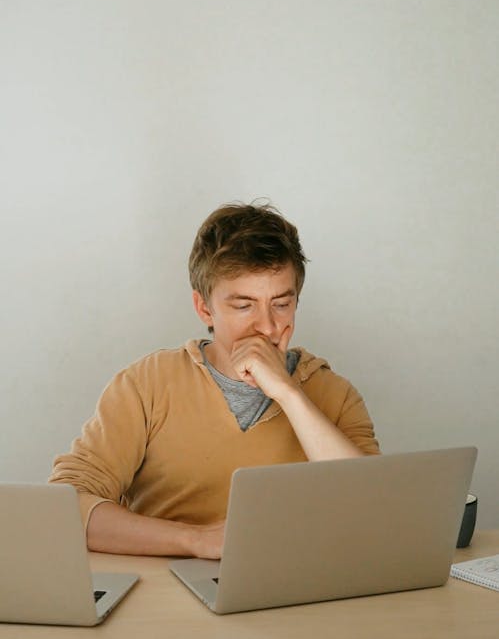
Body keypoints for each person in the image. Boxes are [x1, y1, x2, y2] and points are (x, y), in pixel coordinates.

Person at [49, 202, 379, 558]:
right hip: (167, 596)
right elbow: (66, 506)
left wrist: (289, 393)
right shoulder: (146, 384)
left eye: (281, 304)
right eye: (243, 306)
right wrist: (195, 540)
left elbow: (372, 510)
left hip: (293, 594)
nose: (267, 327)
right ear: (204, 308)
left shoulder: (335, 394)